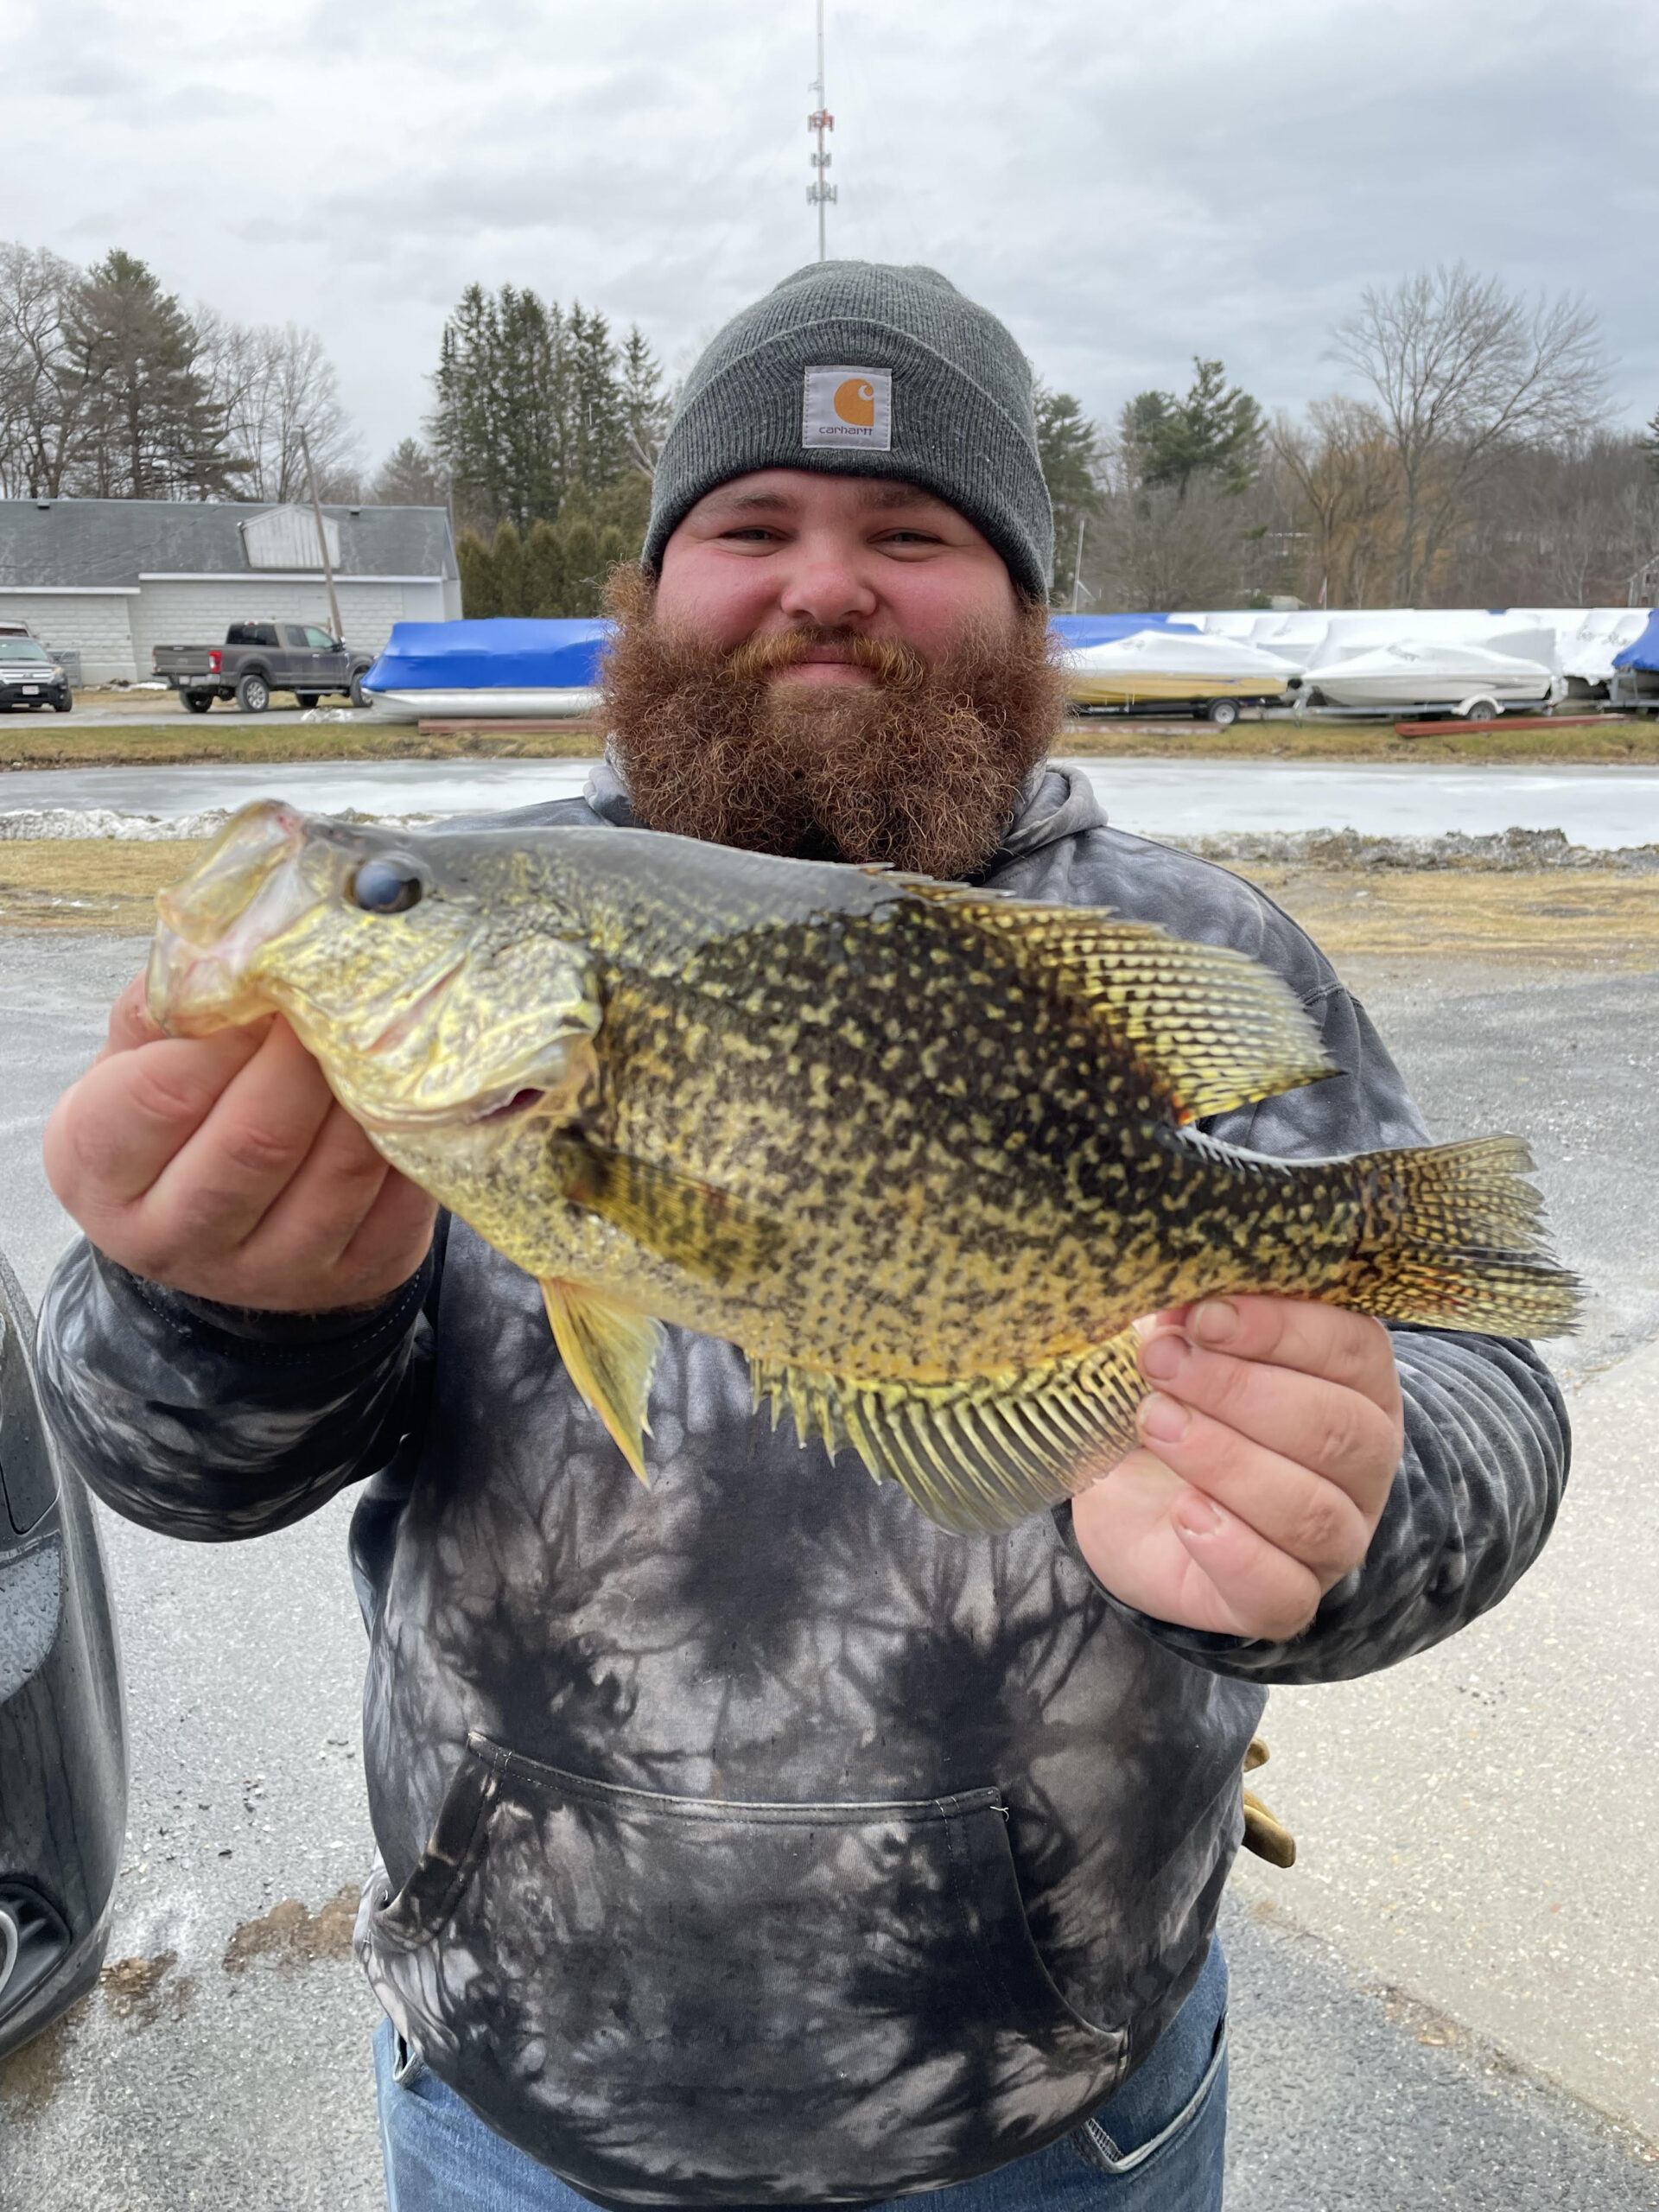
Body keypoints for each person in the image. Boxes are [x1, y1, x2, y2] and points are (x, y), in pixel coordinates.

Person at [37, 263, 1568, 2212]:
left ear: (1022, 607)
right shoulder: (472, 941)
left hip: (1057, 2109)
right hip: (519, 2106)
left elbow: (1484, 1386)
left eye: (908, 532)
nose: (822, 582)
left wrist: (1343, 1508)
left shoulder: (1199, 950)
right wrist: (229, 1323)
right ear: (652, 594)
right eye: (749, 524)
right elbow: (164, 1456)